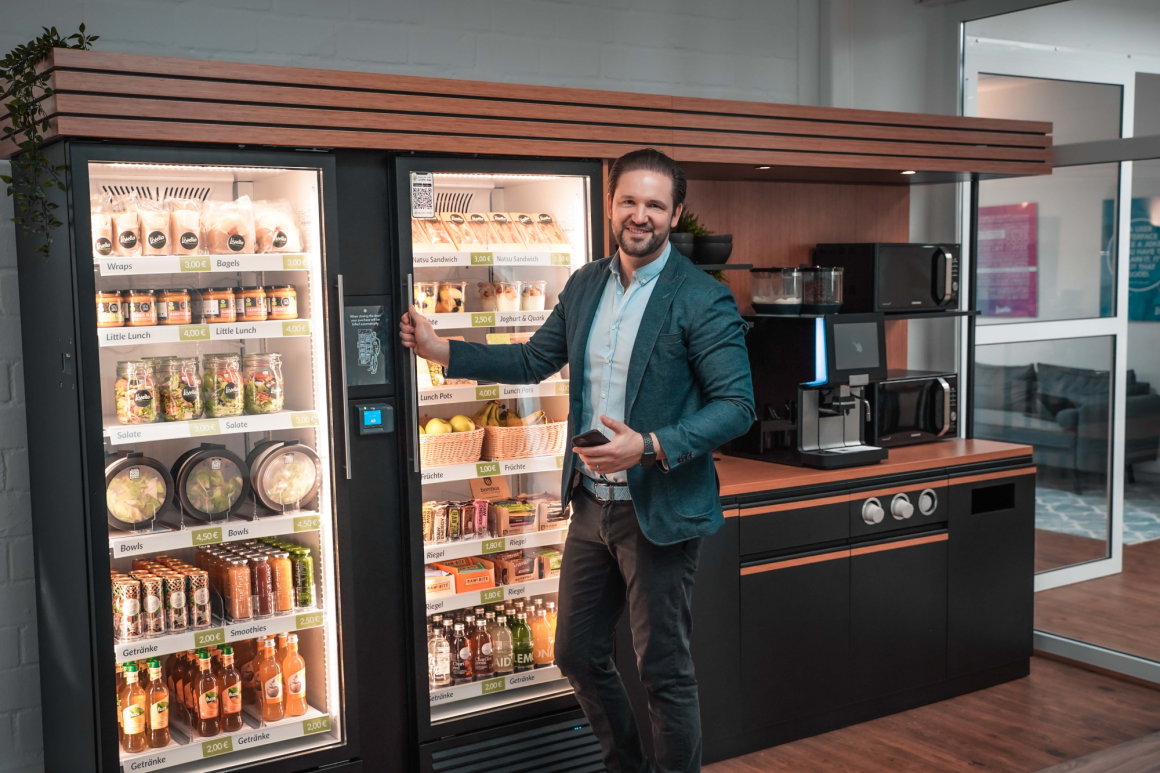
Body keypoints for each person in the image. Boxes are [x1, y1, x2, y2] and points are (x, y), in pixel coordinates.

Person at [399, 148, 755, 772]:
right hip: (593, 506)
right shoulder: (586, 283)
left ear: (674, 214)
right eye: (628, 201)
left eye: (654, 205)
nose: (639, 215)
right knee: (576, 653)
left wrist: (647, 446)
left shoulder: (700, 298)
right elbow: (534, 361)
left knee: (664, 672)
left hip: (660, 511)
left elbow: (736, 406)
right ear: (610, 204)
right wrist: (442, 349)